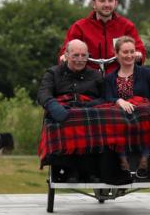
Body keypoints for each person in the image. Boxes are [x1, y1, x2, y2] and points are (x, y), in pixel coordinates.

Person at [38, 39, 105, 182]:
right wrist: (52, 105)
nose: (80, 59)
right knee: (60, 122)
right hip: (63, 111)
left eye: (84, 55)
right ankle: (69, 170)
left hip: (88, 113)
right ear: (66, 55)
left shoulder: (95, 75)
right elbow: (43, 93)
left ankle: (90, 171)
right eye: (75, 55)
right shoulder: (53, 72)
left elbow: (105, 97)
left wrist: (87, 107)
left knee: (94, 121)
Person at [105, 36, 150, 178]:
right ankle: (122, 161)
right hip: (121, 119)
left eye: (132, 51)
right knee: (114, 113)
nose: (129, 55)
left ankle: (144, 160)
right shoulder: (110, 78)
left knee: (143, 110)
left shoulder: (147, 73)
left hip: (142, 117)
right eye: (125, 52)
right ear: (116, 54)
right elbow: (106, 97)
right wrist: (119, 101)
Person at [58, 0, 147, 73]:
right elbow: (66, 50)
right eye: (102, 0)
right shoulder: (79, 27)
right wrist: (64, 57)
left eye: (110, 0)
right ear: (93, 4)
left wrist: (138, 54)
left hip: (119, 77)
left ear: (115, 3)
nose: (107, 4)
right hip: (86, 78)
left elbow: (139, 49)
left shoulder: (127, 26)